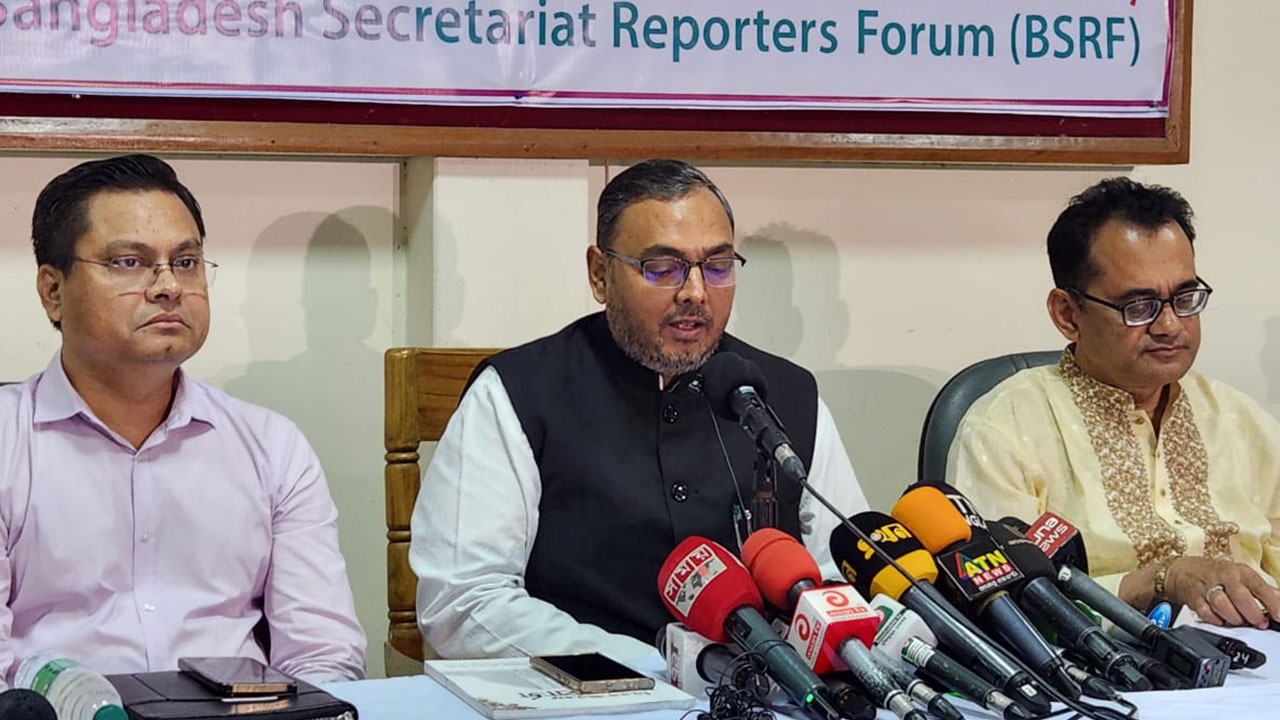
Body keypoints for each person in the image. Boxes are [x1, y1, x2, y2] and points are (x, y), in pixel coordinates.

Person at [411, 159, 868, 661]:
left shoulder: (786, 394)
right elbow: (463, 602)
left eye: (717, 266)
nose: (695, 293)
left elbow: (843, 580)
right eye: (663, 268)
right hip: (590, 693)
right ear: (600, 274)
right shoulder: (519, 393)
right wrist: (655, 669)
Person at [0, 155, 366, 683]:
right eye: (129, 262)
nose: (168, 286)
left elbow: (323, 654)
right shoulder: (9, 444)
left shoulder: (272, 447)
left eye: (187, 261)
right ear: (53, 291)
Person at [949, 177, 1280, 629]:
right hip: (1096, 663)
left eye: (1185, 298)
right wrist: (1158, 580)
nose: (1169, 325)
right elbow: (1000, 606)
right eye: (1139, 305)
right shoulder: (1005, 429)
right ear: (1067, 314)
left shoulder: (1242, 421)